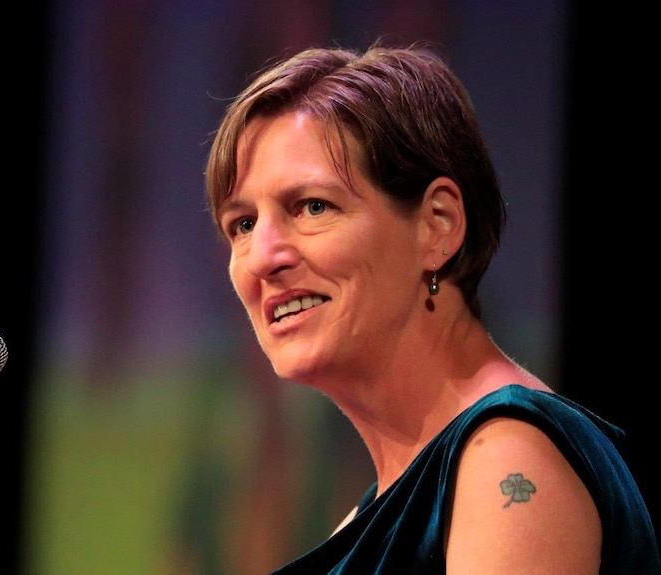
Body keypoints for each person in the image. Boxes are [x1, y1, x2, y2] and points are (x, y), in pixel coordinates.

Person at [203, 40, 661, 574]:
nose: (262, 258)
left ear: (437, 225)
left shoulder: (505, 463)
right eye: (244, 224)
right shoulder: (379, 509)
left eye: (312, 206)